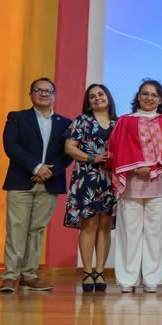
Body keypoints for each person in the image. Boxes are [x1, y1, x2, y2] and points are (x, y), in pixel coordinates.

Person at [107, 79, 162, 294]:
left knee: (155, 232)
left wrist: (152, 168)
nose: (149, 98)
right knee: (129, 232)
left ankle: (152, 279)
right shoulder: (124, 122)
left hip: (158, 183)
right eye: (145, 94)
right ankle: (127, 279)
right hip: (131, 183)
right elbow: (118, 150)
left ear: (160, 100)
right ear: (138, 97)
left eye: (154, 95)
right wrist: (136, 168)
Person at [0, 77, 72, 293]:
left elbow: (68, 153)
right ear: (31, 94)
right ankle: (10, 276)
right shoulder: (17, 117)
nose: (43, 94)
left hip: (50, 183)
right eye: (38, 90)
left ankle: (29, 275)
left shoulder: (66, 123)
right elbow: (11, 146)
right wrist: (36, 167)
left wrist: (49, 171)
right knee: (16, 229)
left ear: (54, 96)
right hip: (21, 182)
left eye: (48, 91)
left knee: (36, 230)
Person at [63, 84, 118, 293]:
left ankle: (100, 271)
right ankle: (87, 272)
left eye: (100, 94)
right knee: (89, 225)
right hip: (87, 177)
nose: (97, 98)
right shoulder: (82, 121)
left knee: (105, 226)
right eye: (92, 97)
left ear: (108, 97)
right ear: (88, 102)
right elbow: (69, 148)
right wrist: (92, 157)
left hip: (110, 180)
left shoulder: (119, 123)